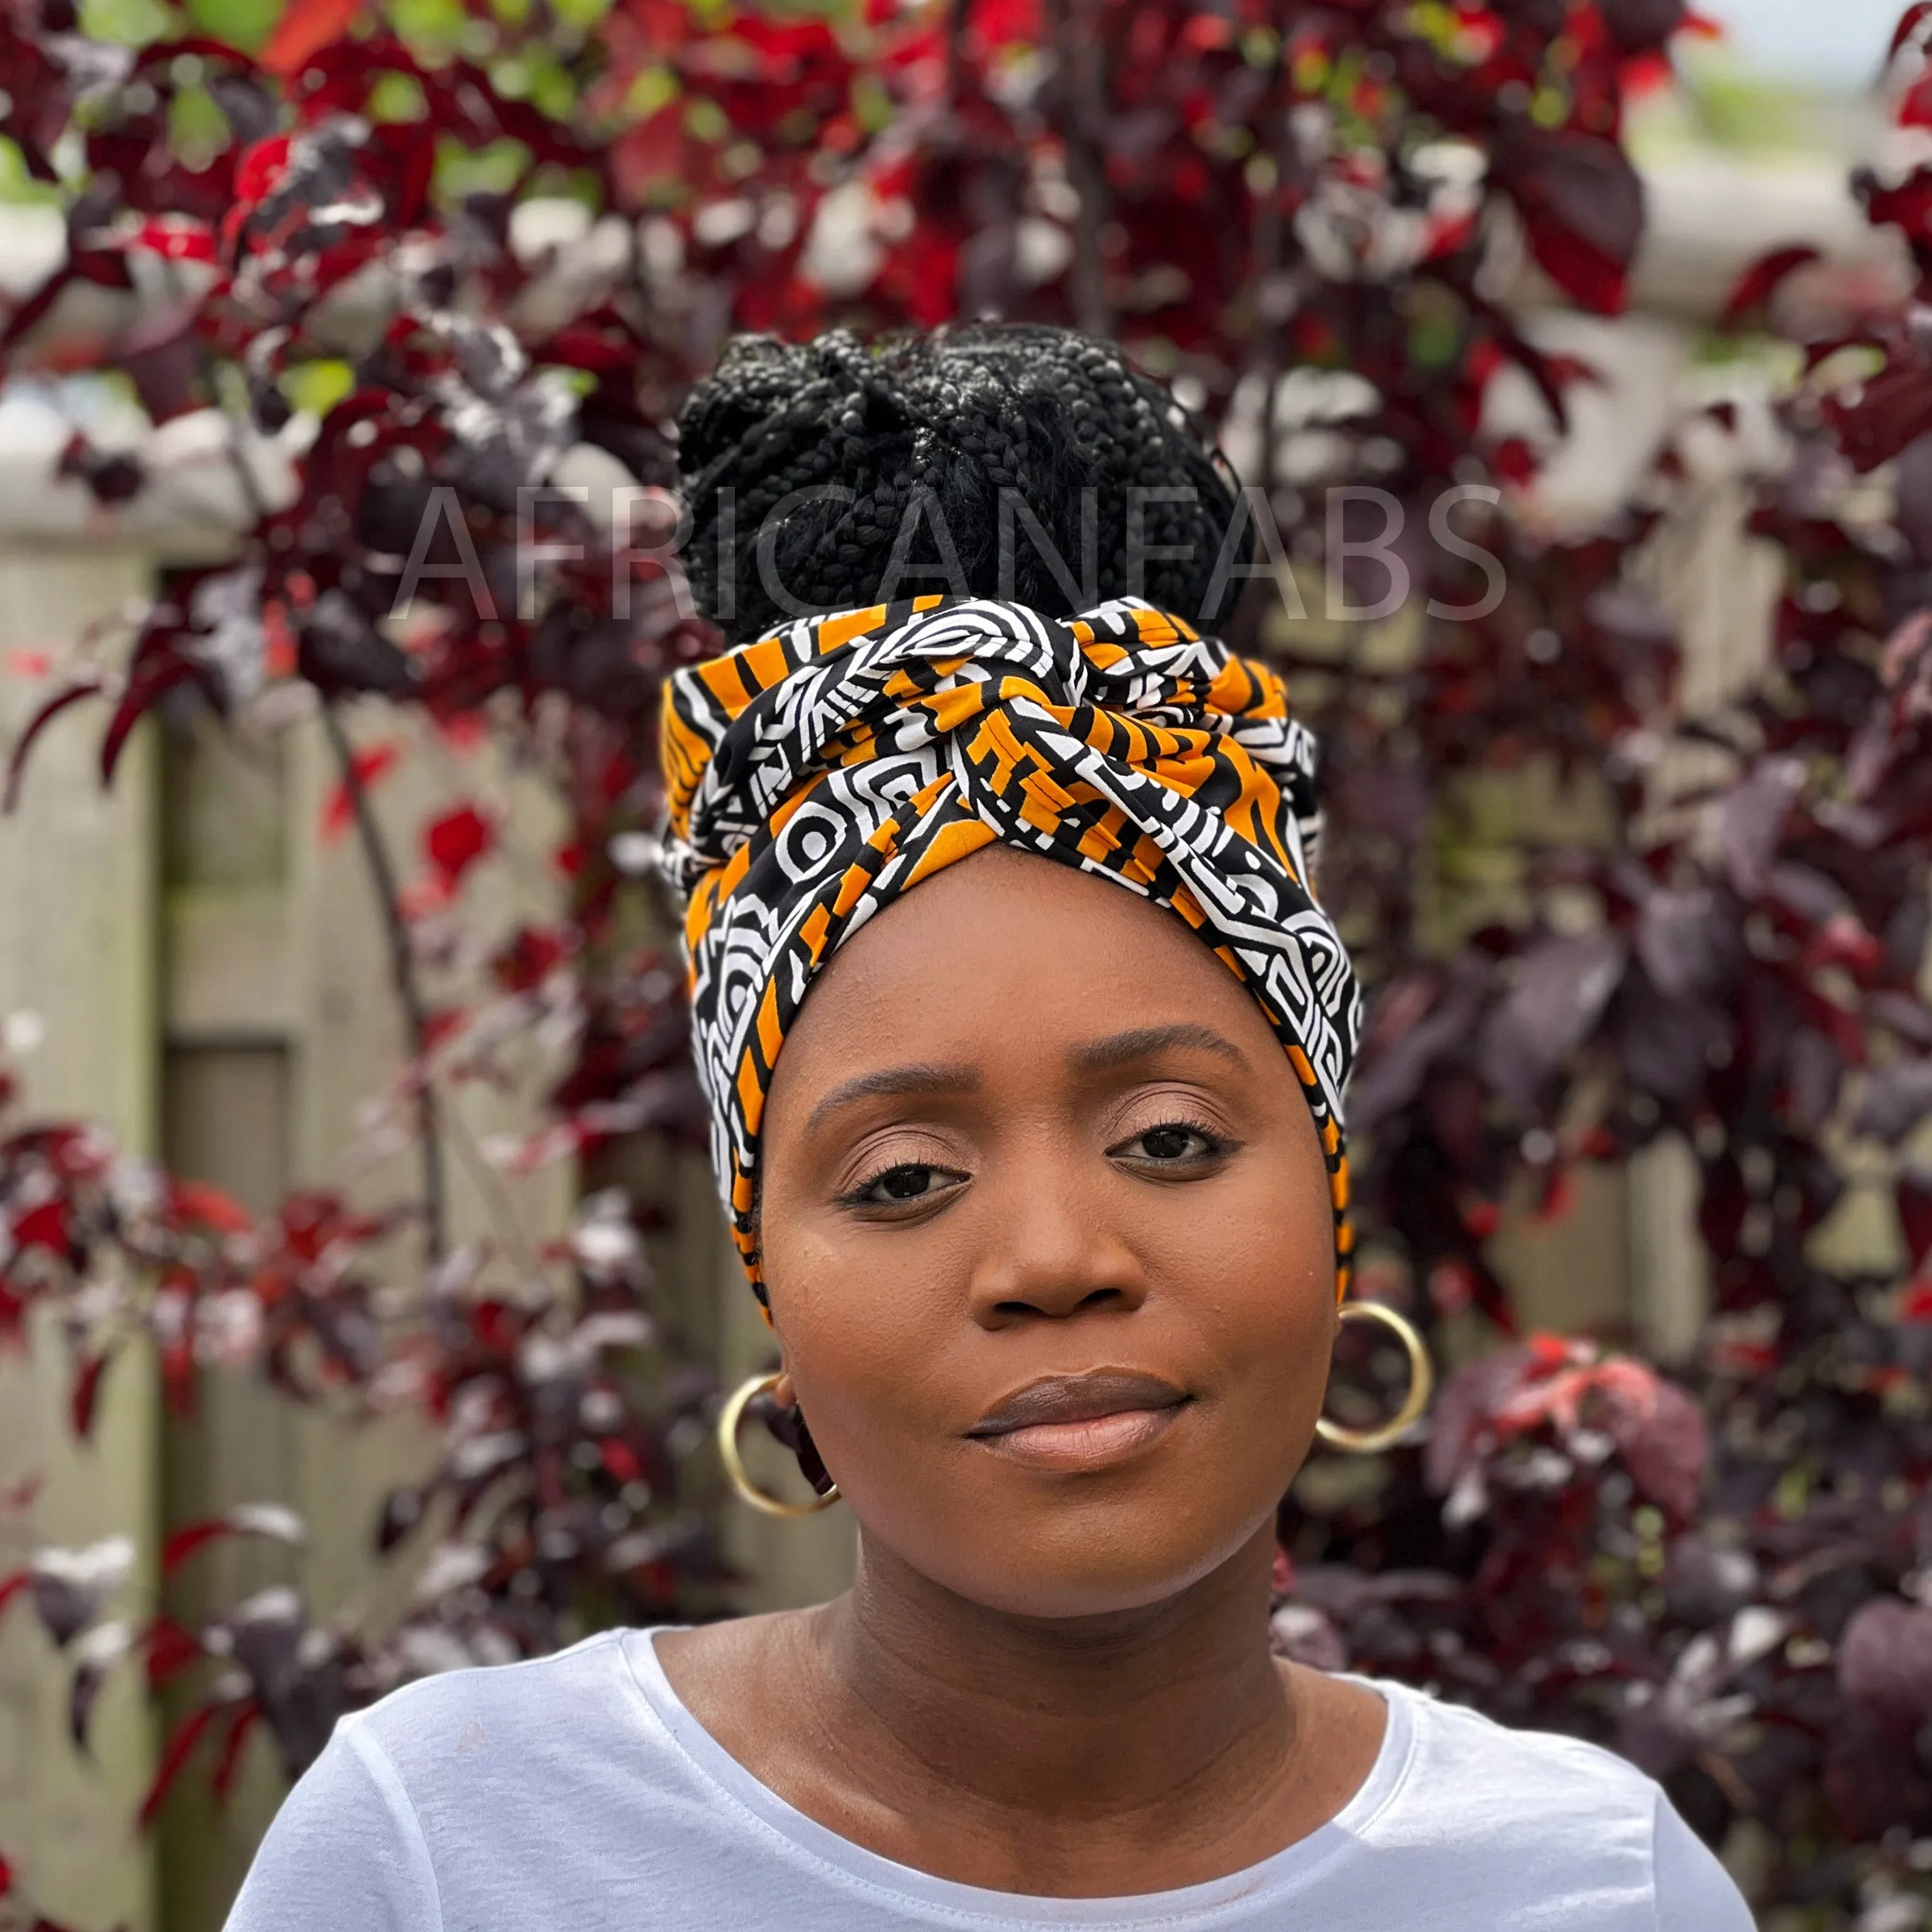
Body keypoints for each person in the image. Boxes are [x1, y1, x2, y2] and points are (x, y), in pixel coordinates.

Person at [225, 325, 1755, 1930]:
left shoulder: (1589, 1887)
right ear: (767, 1270)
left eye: (1167, 1136)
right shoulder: (454, 1850)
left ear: (1327, 1189)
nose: (1050, 1257)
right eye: (901, 1176)